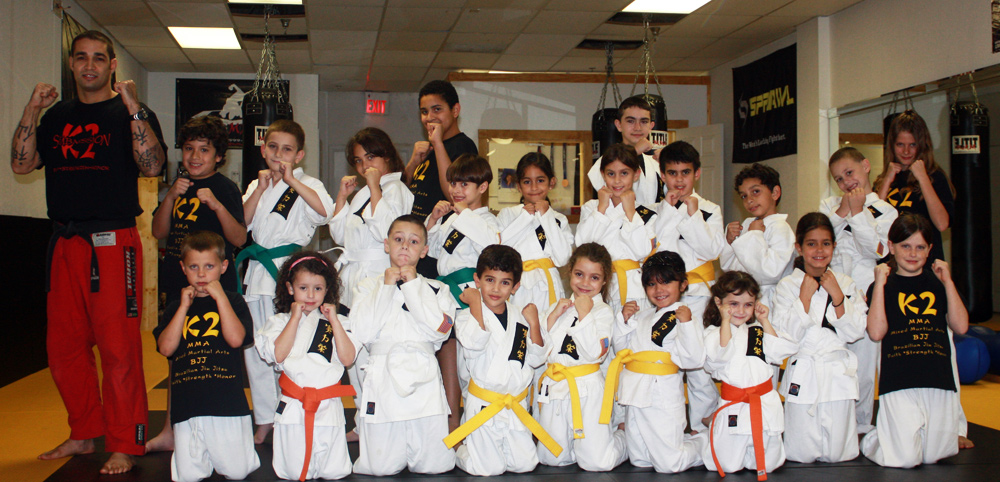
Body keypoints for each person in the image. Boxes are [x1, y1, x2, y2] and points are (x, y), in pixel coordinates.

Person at [10, 30, 166, 474]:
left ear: (112, 65)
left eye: (99, 58)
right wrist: (31, 109)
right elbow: (21, 163)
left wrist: (133, 106)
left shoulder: (130, 112)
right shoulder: (56, 116)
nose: (90, 66)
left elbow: (153, 166)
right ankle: (83, 432)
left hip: (113, 243)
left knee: (119, 350)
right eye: (81, 58)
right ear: (72, 63)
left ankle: (124, 442)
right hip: (65, 243)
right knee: (63, 350)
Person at [146, 115, 248, 452]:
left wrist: (216, 205)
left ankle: (222, 426)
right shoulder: (178, 187)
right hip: (180, 283)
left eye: (204, 150)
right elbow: (158, 232)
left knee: (215, 355)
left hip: (216, 287)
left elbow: (239, 238)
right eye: (189, 148)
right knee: (177, 356)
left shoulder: (225, 188)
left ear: (219, 156)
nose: (194, 156)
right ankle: (171, 428)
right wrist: (169, 198)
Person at [239, 119, 335, 443]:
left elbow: (325, 213)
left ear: (299, 155)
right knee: (257, 349)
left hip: (289, 274)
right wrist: (261, 189)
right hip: (257, 272)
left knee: (289, 346)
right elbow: (242, 223)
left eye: (287, 149)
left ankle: (290, 413)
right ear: (263, 149)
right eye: (273, 147)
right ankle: (265, 418)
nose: (279, 154)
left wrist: (292, 180)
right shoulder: (257, 184)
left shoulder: (308, 183)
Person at [350, 215, 458, 476]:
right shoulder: (367, 286)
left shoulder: (438, 288)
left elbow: (440, 331)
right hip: (383, 378)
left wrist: (412, 286)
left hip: (424, 379)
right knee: (379, 468)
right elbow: (363, 332)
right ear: (386, 244)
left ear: (424, 251)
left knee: (435, 466)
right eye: (398, 239)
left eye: (413, 241)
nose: (405, 246)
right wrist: (387, 287)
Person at [861, 214, 969, 468]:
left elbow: (961, 326)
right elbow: (876, 333)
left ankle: (909, 437)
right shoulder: (883, 286)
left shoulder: (939, 284)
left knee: (935, 455)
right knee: (905, 459)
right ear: (891, 246)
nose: (912, 254)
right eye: (905, 246)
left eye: (920, 247)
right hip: (899, 380)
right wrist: (879, 284)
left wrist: (948, 281)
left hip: (938, 378)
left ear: (930, 249)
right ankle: (874, 440)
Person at [153, 232, 259, 482]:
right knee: (188, 476)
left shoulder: (234, 301)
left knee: (237, 472)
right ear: (183, 268)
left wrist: (220, 297)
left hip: (226, 404)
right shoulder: (176, 307)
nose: (201, 274)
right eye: (194, 267)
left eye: (209, 266)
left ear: (224, 267)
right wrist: (183, 307)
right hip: (187, 405)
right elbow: (166, 349)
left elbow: (236, 339)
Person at [446, 245, 554, 476]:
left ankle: (489, 449)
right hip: (484, 404)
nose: (496, 289)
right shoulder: (465, 316)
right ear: (477, 280)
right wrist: (475, 303)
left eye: (505, 282)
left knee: (525, 465)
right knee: (488, 469)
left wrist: (534, 323)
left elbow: (536, 359)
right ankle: (459, 448)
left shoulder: (520, 317)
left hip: (515, 404)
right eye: (489, 280)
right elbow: (475, 342)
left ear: (515, 287)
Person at [771, 213, 867, 463]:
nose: (819, 250)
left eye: (826, 243)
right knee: (800, 453)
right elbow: (786, 336)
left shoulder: (845, 283)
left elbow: (856, 332)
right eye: (811, 244)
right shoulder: (787, 286)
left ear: (834, 246)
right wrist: (804, 297)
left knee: (840, 454)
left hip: (837, 373)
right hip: (804, 372)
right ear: (799, 248)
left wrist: (838, 296)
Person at [256, 252, 358, 481]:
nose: (311, 295)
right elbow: (278, 354)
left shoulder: (340, 322)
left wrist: (334, 321)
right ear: (290, 288)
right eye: (303, 288)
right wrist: (294, 318)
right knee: (293, 473)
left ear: (327, 290)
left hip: (328, 407)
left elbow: (348, 358)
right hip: (294, 407)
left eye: (318, 289)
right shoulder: (278, 322)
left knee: (334, 472)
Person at [819, 146, 898, 434]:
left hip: (866, 291)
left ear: (866, 166)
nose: (846, 182)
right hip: (831, 289)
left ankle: (861, 422)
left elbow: (878, 251)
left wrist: (857, 214)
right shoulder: (829, 205)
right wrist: (844, 211)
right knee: (831, 358)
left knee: (863, 363)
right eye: (839, 179)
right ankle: (830, 422)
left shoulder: (885, 210)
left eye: (849, 172)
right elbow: (818, 238)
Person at [605, 251, 706, 473]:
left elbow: (693, 359)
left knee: (670, 464)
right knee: (640, 459)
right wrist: (623, 321)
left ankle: (706, 441)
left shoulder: (684, 316)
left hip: (661, 395)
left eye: (666, 282)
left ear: (683, 284)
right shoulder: (642, 316)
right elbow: (622, 351)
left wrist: (686, 324)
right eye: (651, 284)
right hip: (634, 392)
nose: (659, 290)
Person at [652, 140, 726, 432]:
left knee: (699, 368)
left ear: (697, 173)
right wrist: (671, 212)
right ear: (663, 175)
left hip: (700, 296)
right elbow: (659, 250)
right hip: (665, 297)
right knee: (666, 361)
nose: (679, 180)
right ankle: (667, 429)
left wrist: (693, 215)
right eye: (672, 173)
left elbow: (712, 250)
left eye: (685, 172)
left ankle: (703, 431)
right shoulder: (655, 211)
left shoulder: (709, 209)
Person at [536, 243, 627, 472]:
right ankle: (580, 446)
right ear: (569, 273)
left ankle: (624, 438)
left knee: (597, 463)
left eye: (594, 277)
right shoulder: (556, 307)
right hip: (556, 386)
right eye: (579, 274)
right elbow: (538, 351)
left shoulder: (603, 312)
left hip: (587, 390)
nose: (585, 283)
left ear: (604, 281)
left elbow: (596, 353)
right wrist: (553, 316)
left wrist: (585, 314)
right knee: (552, 458)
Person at [426, 153, 499, 431]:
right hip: (448, 294)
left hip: (471, 296)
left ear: (482, 187)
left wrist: (463, 215)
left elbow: (492, 245)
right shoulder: (452, 220)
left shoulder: (488, 221)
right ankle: (455, 423)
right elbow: (433, 251)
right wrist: (434, 220)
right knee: (452, 364)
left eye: (464, 184)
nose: (456, 190)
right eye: (453, 184)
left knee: (471, 364)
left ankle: (476, 427)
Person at [701, 271, 798, 481]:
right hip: (734, 405)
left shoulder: (757, 331)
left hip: (763, 404)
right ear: (718, 302)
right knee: (727, 466)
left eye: (748, 304)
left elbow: (780, 351)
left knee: (769, 465)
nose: (741, 310)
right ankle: (709, 431)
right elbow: (720, 356)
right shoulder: (712, 333)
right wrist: (725, 321)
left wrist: (764, 320)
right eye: (733, 304)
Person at [330, 127, 413, 307]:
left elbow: (386, 233)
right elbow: (341, 237)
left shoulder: (396, 188)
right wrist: (342, 197)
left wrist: (375, 187)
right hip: (353, 271)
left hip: (378, 272)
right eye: (358, 160)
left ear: (387, 156)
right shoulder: (362, 193)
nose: (365, 166)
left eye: (370, 157)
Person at [576, 144, 657, 316]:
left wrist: (630, 213)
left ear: (636, 174)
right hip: (596, 285)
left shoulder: (646, 213)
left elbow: (642, 250)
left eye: (624, 173)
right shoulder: (591, 208)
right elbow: (582, 245)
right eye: (611, 174)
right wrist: (602, 208)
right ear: (603, 174)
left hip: (633, 290)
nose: (617, 181)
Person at [498, 151, 573, 313]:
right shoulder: (508, 214)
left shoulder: (559, 219)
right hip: (517, 283)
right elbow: (500, 249)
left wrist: (546, 216)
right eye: (527, 182)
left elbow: (562, 258)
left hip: (548, 284)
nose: (534, 187)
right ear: (518, 185)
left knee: (549, 325)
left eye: (540, 180)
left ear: (551, 183)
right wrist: (525, 218)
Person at [875, 110, 955, 263]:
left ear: (922, 145)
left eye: (912, 145)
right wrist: (886, 181)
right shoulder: (883, 179)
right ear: (892, 145)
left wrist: (923, 178)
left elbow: (942, 224)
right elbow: (871, 222)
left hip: (924, 265)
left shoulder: (935, 177)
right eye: (900, 145)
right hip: (891, 264)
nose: (906, 151)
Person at [721, 163, 795, 311]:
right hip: (742, 299)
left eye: (755, 192)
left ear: (775, 193)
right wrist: (729, 242)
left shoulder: (781, 228)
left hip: (770, 302)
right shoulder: (747, 224)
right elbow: (729, 268)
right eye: (744, 196)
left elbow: (770, 273)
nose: (749, 200)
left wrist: (755, 235)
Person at [587, 96, 665, 206]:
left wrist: (669, 163)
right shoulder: (608, 159)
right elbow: (596, 179)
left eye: (644, 121)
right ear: (619, 125)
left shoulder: (655, 163)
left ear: (651, 126)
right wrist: (635, 151)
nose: (637, 128)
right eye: (630, 121)